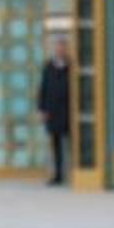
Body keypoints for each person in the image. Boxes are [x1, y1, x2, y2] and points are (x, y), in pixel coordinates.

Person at [38, 35, 70, 185]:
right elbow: (43, 88)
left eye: (62, 46)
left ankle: (72, 173)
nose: (59, 49)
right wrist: (42, 109)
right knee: (55, 145)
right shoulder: (48, 66)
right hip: (53, 111)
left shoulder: (71, 66)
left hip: (69, 112)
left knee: (71, 144)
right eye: (57, 47)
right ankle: (57, 175)